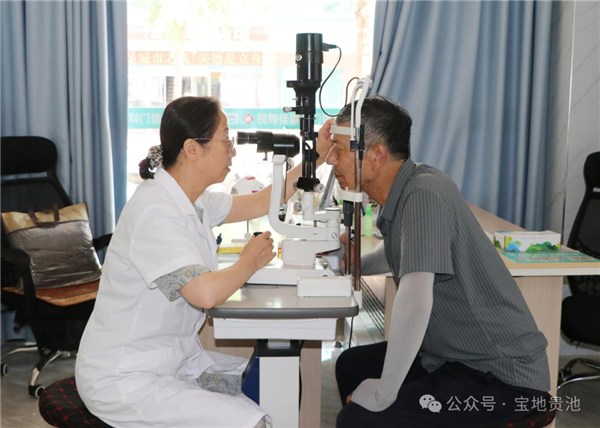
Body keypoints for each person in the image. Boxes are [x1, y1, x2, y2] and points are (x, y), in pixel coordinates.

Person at [75, 96, 330, 427]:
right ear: (192, 149)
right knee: (254, 422)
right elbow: (204, 294)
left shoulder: (192, 199)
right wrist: (247, 263)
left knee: (268, 382)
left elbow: (261, 202)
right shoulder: (154, 211)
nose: (232, 151)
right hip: (126, 378)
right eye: (226, 139)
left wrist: (316, 156)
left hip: (174, 361)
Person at [321, 95, 555, 428]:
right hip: (451, 356)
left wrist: (384, 392)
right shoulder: (405, 190)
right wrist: (352, 263)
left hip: (500, 376)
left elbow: (415, 300)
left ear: (376, 155)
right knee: (352, 365)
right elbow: (401, 252)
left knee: (358, 419)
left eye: (339, 149)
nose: (330, 159)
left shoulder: (423, 194)